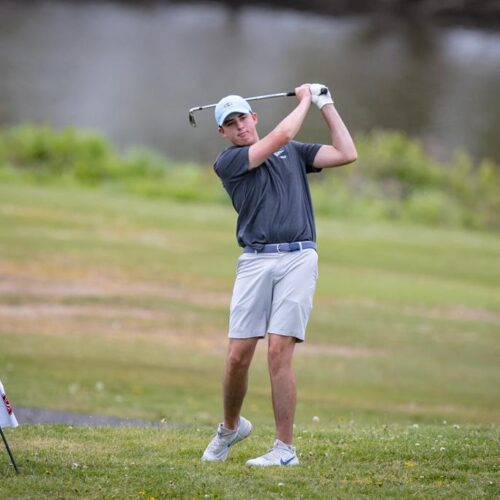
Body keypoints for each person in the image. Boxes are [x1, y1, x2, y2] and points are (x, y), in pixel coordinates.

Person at [201, 83, 357, 466]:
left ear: (254, 117)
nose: (239, 127)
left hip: (299, 258)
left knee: (278, 350)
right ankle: (231, 427)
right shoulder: (230, 161)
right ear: (222, 132)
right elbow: (283, 133)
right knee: (238, 356)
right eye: (230, 123)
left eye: (243, 118)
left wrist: (326, 104)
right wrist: (305, 98)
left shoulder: (294, 153)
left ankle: (284, 450)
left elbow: (347, 153)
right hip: (255, 260)